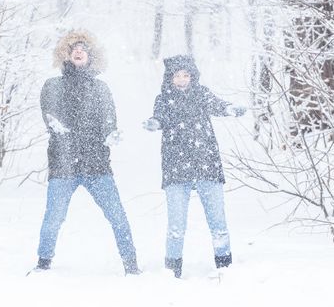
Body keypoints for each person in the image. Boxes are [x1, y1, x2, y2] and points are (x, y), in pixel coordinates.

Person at [34, 29, 139, 275]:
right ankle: (43, 263)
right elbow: (48, 112)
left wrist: (111, 133)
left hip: (97, 164)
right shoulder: (53, 85)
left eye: (84, 48)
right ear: (67, 55)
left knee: (117, 216)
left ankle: (131, 265)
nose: (79, 51)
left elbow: (109, 119)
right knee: (53, 218)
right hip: (64, 164)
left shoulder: (101, 88)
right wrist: (55, 124)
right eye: (74, 48)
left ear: (91, 56)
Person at [143, 55, 246, 278]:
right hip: (176, 167)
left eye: (186, 75)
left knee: (218, 223)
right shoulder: (163, 99)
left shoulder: (201, 93)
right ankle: (172, 272)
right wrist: (154, 124)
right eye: (177, 75)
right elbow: (159, 118)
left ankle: (225, 268)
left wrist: (230, 109)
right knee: (176, 228)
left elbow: (217, 105)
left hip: (206, 163)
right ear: (170, 78)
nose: (181, 80)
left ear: (192, 76)